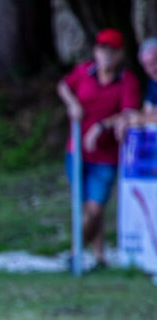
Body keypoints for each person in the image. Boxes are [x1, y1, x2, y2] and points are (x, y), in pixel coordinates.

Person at [57, 28, 140, 268]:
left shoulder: (127, 81)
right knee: (86, 205)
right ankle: (100, 254)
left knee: (95, 208)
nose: (106, 55)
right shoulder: (83, 72)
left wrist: (102, 126)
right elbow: (63, 86)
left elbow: (129, 113)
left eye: (112, 51)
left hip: (106, 155)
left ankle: (75, 252)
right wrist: (73, 104)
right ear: (96, 51)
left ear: (120, 54)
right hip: (77, 151)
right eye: (103, 50)